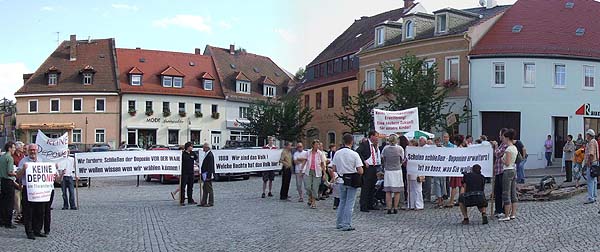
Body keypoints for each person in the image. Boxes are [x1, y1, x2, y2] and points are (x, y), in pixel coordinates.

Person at [331, 134, 364, 231]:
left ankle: (339, 222)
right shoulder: (354, 154)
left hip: (341, 179)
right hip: (352, 180)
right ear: (352, 142)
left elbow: (334, 168)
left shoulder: (337, 153)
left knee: (342, 202)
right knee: (350, 203)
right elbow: (360, 170)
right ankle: (346, 223)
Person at [17, 144, 45, 239]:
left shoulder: (41, 160)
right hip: (28, 189)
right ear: (28, 151)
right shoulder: (23, 161)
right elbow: (18, 176)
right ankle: (29, 231)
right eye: (31, 150)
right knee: (28, 211)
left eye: (34, 150)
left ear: (37, 150)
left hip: (39, 189)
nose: (33, 152)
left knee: (39, 211)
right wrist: (24, 169)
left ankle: (37, 230)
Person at [357, 131, 381, 212]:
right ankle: (363, 205)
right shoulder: (365, 144)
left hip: (374, 167)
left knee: (372, 186)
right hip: (368, 167)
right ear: (371, 136)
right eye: (376, 136)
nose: (377, 138)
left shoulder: (374, 145)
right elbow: (358, 152)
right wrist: (363, 162)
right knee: (366, 187)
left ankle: (370, 204)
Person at [381, 134, 404, 214]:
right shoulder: (400, 149)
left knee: (388, 191)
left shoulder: (385, 149)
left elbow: (383, 158)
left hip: (388, 170)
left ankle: (388, 208)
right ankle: (395, 207)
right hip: (397, 170)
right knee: (397, 191)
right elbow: (402, 159)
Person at [499, 129, 518, 221]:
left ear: (507, 138)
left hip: (507, 171)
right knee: (513, 193)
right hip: (513, 170)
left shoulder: (508, 149)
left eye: (504, 138)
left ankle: (506, 215)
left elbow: (507, 163)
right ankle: (513, 214)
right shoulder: (514, 148)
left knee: (506, 193)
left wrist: (501, 159)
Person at [303, 140, 326, 209]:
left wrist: (324, 173)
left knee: (315, 188)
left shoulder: (320, 153)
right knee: (308, 186)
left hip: (317, 171)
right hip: (308, 171)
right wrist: (302, 169)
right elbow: (305, 160)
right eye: (316, 145)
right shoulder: (308, 152)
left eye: (318, 145)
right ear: (313, 145)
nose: (317, 146)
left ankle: (313, 202)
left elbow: (322, 163)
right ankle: (310, 196)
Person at [0, 141, 16, 229]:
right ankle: (8, 222)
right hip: (9, 182)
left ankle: (1, 220)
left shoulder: (2, 157)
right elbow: (10, 172)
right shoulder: (9, 158)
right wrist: (16, 173)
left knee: (3, 202)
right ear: (9, 148)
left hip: (2, 181)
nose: (14, 149)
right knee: (10, 203)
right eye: (13, 147)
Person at [493, 128, 508, 218]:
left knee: (503, 191)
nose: (499, 136)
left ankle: (502, 210)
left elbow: (498, 154)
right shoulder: (502, 144)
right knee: (497, 192)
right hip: (498, 171)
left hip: (503, 171)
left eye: (500, 135)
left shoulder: (506, 145)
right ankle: (498, 209)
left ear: (503, 135)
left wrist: (495, 146)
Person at [406, 139, 424, 210]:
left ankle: (419, 205)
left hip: (417, 171)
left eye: (410, 144)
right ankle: (411, 204)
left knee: (418, 188)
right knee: (410, 189)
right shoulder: (408, 152)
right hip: (410, 171)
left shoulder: (419, 152)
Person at [583, 129, 598, 204]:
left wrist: (588, 162)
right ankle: (594, 196)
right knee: (594, 181)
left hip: (591, 163)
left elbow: (591, 154)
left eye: (587, 134)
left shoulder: (591, 142)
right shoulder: (594, 141)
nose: (586, 136)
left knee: (590, 181)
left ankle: (590, 197)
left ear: (589, 135)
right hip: (595, 163)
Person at [12, 141, 25, 224]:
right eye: (22, 147)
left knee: (22, 198)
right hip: (15, 179)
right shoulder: (12, 157)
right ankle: (18, 214)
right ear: (17, 148)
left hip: (22, 180)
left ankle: (21, 215)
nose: (23, 148)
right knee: (17, 199)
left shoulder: (23, 156)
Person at [444, 133, 458, 208]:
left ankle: (452, 200)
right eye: (444, 137)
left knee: (454, 184)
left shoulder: (452, 146)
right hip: (446, 166)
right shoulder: (443, 146)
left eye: (446, 137)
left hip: (453, 167)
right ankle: (449, 197)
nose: (445, 138)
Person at [199, 143, 215, 207]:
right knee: (205, 188)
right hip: (205, 174)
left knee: (209, 188)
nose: (203, 148)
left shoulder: (210, 155)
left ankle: (211, 202)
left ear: (207, 148)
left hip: (207, 174)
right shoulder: (207, 154)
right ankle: (203, 201)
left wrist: (208, 176)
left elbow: (210, 167)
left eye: (204, 147)